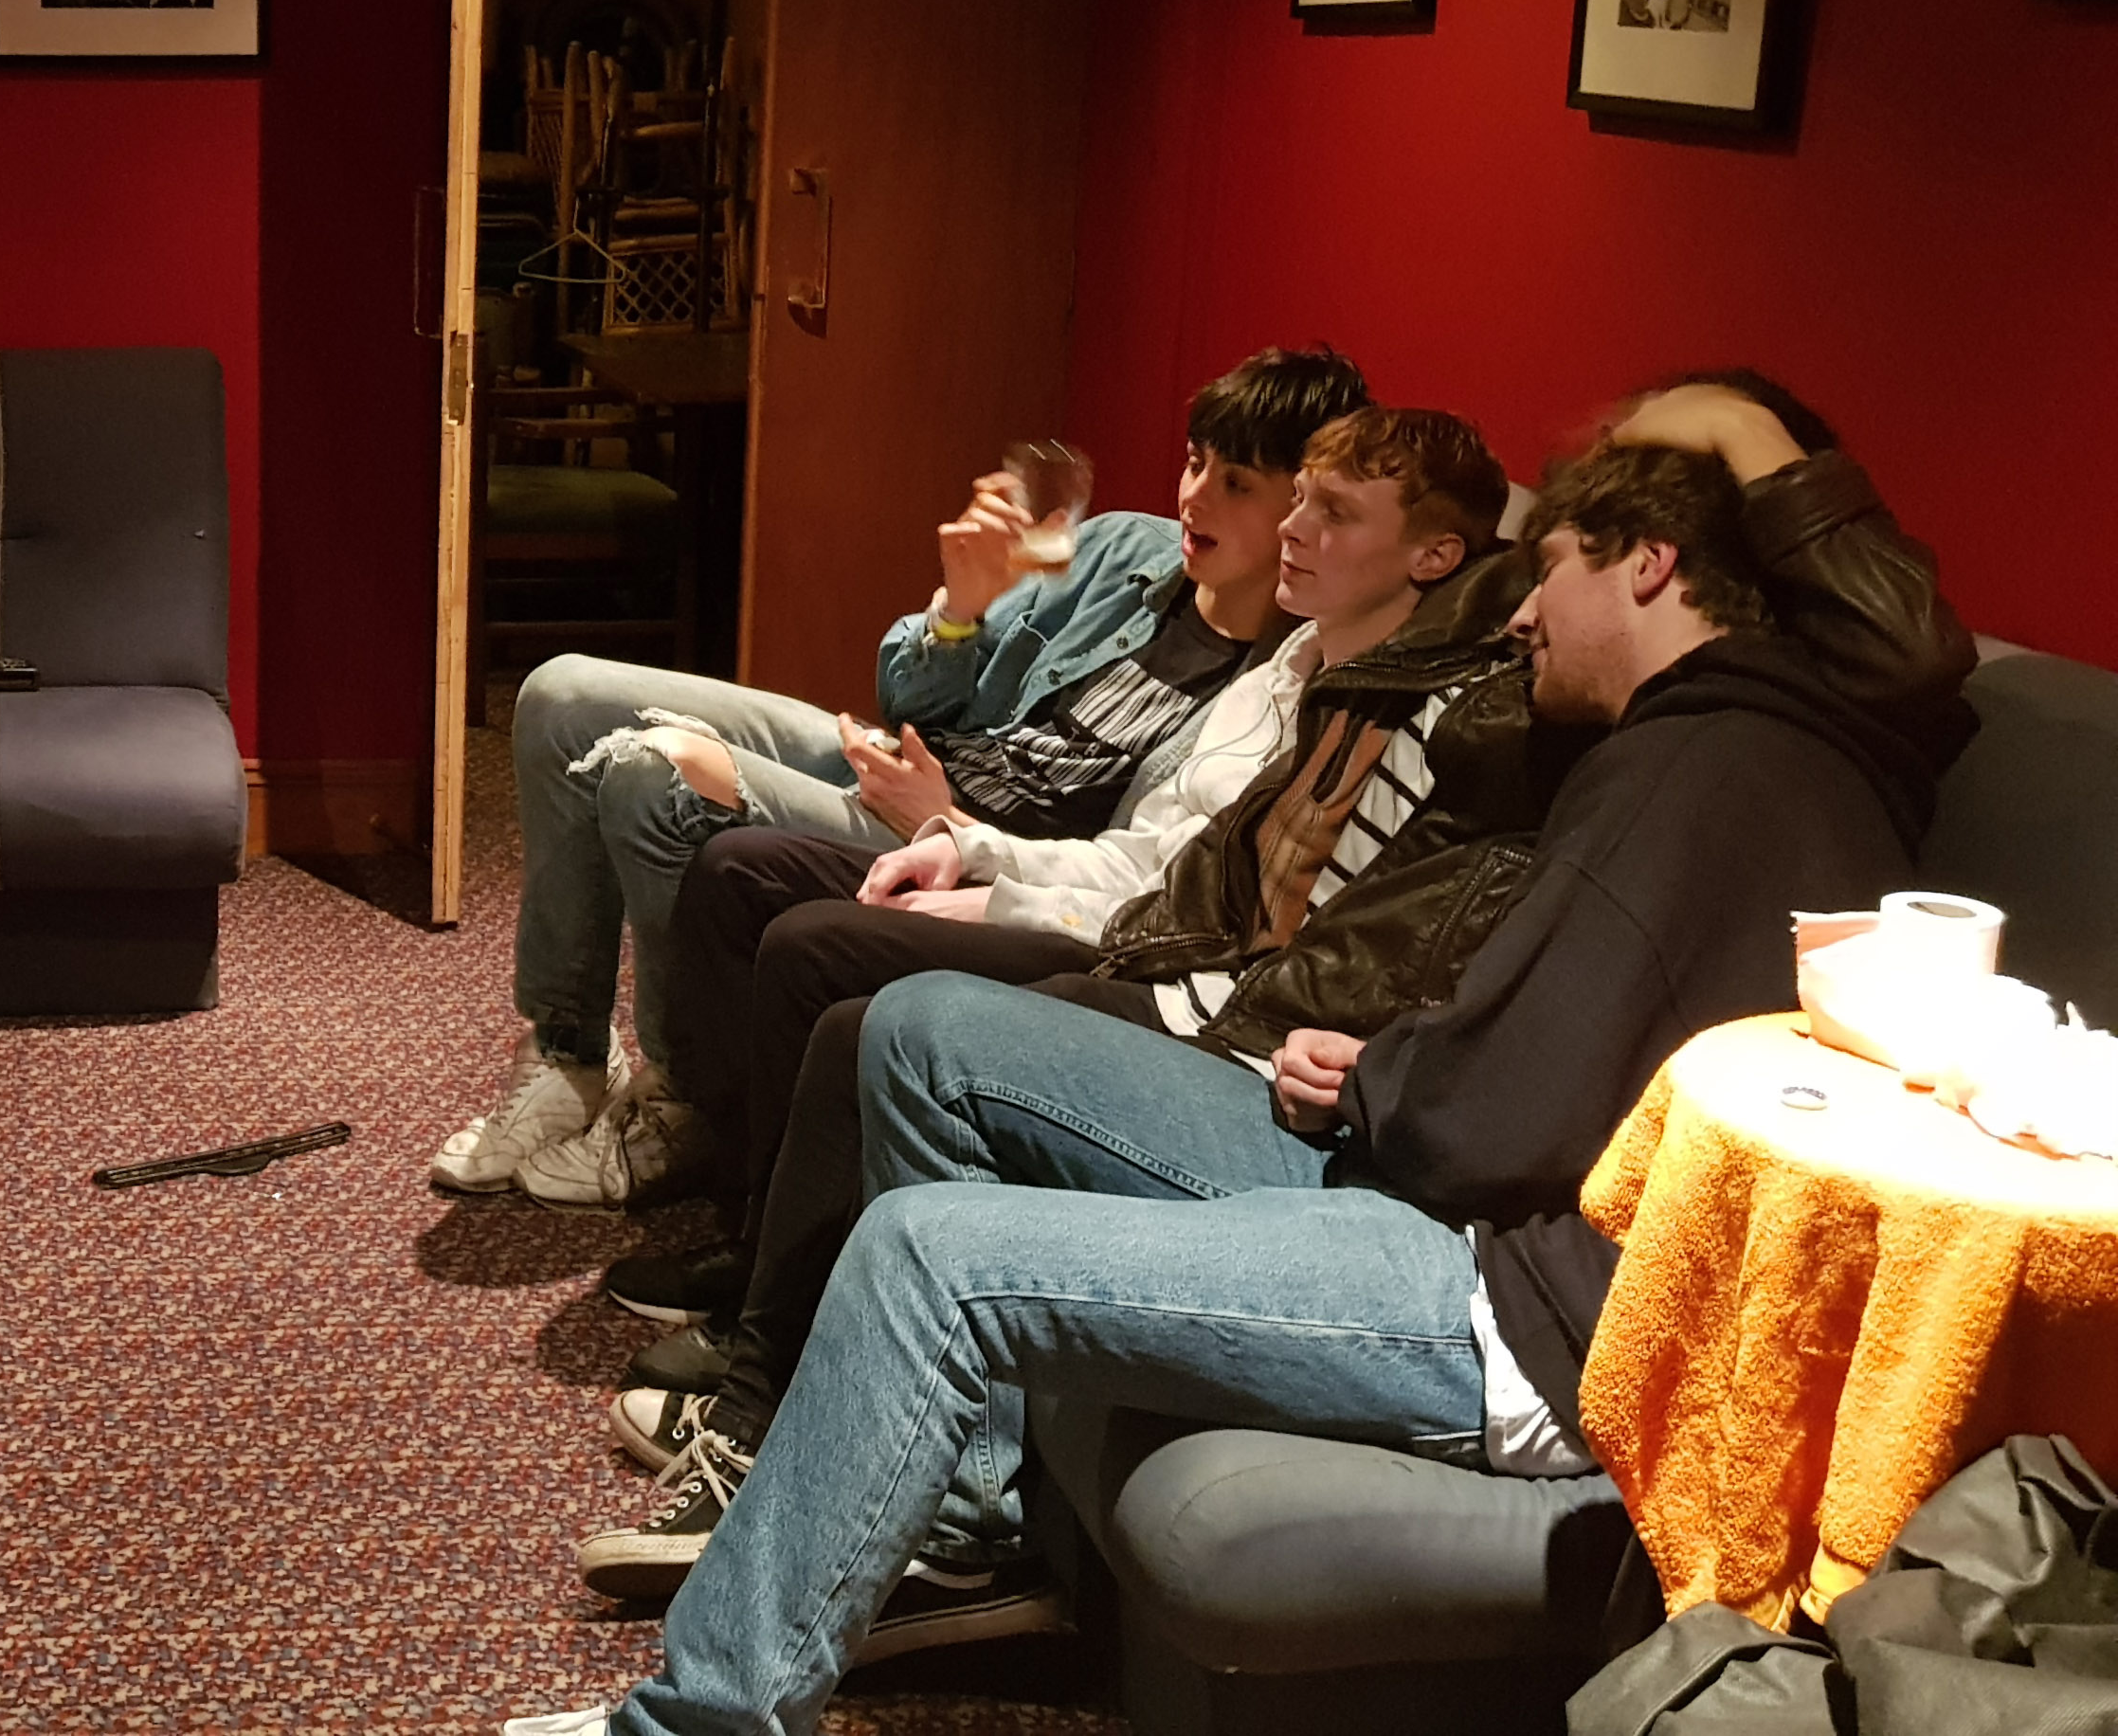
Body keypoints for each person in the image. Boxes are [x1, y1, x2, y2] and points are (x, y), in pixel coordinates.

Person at [501, 426, 1975, 1736]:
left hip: (1526, 1304)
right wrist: (1393, 1069)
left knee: (925, 1258)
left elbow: (1496, 1122)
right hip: (1469, 1202)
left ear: (1651, 566)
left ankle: (702, 1714)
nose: (1524, 608)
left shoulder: (1705, 774)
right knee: (926, 1028)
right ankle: (956, 1526)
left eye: (1556, 568)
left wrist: (1385, 1087)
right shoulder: (1702, 754)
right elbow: (1550, 1063)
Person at [600, 408, 1503, 1386]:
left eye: (1323, 509)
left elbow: (1204, 910)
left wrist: (991, 881)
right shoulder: (1231, 637)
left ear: (1435, 556)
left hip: (1150, 959)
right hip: (1027, 850)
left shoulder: (1394, 714)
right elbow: (1107, 825)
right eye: (1196, 464)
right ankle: (751, 1243)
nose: (1287, 524)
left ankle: (768, 1350)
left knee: (831, 968)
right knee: (737, 865)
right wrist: (967, 825)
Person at [433, 348, 1370, 1210]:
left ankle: (680, 1102)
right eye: (1196, 461)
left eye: (1237, 483)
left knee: (655, 776)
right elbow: (908, 692)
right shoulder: (1127, 550)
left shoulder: (1284, 684)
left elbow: (1139, 873)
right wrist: (961, 609)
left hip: (961, 844)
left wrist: (950, 821)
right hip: (914, 765)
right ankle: (567, 1053)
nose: (1196, 497)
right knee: (560, 694)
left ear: (1303, 507)